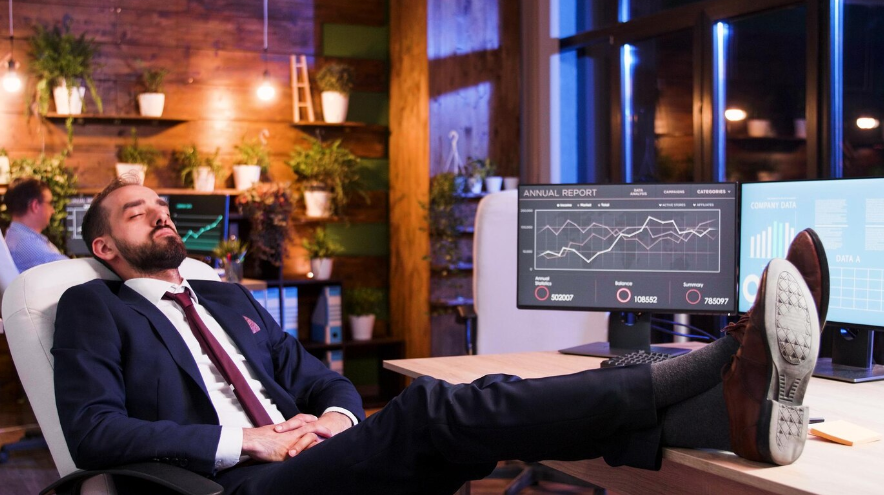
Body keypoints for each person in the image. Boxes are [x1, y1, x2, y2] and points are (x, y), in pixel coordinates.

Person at [52, 178, 829, 495]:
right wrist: (248, 441)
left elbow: (320, 377)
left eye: (161, 203)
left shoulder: (228, 298)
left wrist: (333, 417)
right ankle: (717, 367)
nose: (159, 213)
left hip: (315, 455)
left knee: (466, 422)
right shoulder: (99, 308)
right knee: (437, 409)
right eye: (134, 212)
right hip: (236, 484)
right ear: (107, 250)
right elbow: (91, 430)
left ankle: (726, 409)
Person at [3, 177, 68, 272]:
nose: (53, 211)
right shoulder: (26, 243)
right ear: (35, 206)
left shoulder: (16, 237)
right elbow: (72, 272)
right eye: (50, 203)